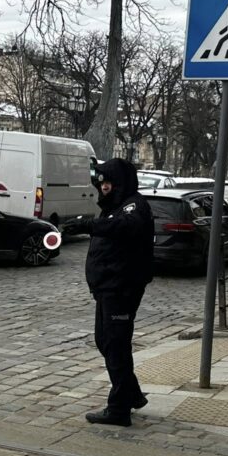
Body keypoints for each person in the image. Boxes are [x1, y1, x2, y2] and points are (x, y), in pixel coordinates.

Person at [65, 158, 153, 427]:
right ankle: (131, 394)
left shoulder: (133, 205)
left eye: (108, 182)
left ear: (120, 182)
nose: (103, 187)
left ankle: (119, 409)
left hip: (121, 288)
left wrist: (88, 226)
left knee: (115, 345)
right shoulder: (114, 206)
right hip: (108, 287)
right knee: (105, 341)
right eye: (101, 182)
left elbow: (125, 227)